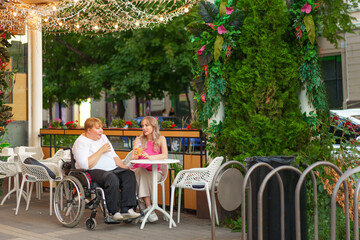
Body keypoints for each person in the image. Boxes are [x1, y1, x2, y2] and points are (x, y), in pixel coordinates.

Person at [72, 117, 140, 221]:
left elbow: (114, 155)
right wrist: (101, 150)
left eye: (102, 128)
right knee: (111, 177)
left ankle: (127, 210)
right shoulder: (81, 142)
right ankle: (114, 211)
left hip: (111, 168)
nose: (101, 131)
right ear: (89, 130)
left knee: (128, 174)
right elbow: (86, 165)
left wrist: (124, 167)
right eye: (98, 128)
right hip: (91, 171)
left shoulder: (103, 137)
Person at [131, 116, 168, 222]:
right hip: (138, 170)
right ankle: (149, 209)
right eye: (142, 126)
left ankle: (144, 210)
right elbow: (133, 159)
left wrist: (150, 157)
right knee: (140, 172)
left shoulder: (161, 139)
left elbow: (165, 155)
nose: (144, 128)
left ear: (153, 126)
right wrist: (137, 154)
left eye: (147, 125)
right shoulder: (139, 140)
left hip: (155, 172)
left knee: (141, 175)